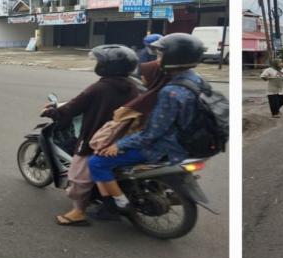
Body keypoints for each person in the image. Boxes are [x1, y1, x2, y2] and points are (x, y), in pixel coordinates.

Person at [88, 33, 207, 213]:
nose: (157, 58)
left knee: (96, 161)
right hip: (191, 141)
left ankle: (119, 204)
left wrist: (119, 144)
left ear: (173, 57)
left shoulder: (172, 91)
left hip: (166, 146)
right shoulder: (196, 80)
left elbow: (152, 134)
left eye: (160, 55)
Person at [43, 44, 140, 226]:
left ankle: (78, 212)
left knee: (78, 176)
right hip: (121, 137)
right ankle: (106, 201)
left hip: (96, 138)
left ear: (106, 66)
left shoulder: (99, 88)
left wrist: (52, 112)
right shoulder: (131, 86)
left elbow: (72, 108)